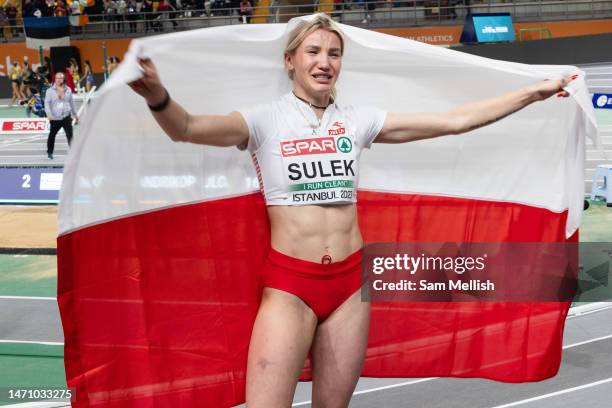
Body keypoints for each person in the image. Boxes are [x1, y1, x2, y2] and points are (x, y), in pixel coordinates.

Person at [128, 13, 573, 406]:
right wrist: (156, 96)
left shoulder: (357, 120)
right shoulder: (263, 120)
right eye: (314, 51)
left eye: (335, 53)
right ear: (290, 61)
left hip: (349, 286)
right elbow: (186, 128)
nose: (325, 62)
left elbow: (454, 121)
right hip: (290, 285)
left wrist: (532, 93)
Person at [44, 72, 79, 160]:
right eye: (57, 78)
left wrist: (75, 114)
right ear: (55, 79)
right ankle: (50, 152)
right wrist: (48, 114)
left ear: (63, 79)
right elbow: (47, 103)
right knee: (52, 135)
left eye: (60, 78)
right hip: (55, 117)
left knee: (70, 135)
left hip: (66, 116)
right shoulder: (50, 91)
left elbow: (71, 102)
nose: (59, 79)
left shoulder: (68, 89)